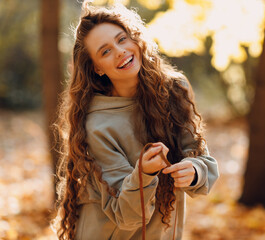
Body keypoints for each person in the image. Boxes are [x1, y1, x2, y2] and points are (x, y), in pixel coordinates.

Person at [53, 1, 219, 239]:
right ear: (97, 68)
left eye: (122, 39)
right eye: (105, 51)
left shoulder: (175, 90)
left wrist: (195, 171)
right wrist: (144, 174)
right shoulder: (98, 125)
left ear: (135, 38)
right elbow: (126, 216)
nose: (120, 51)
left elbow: (201, 157)